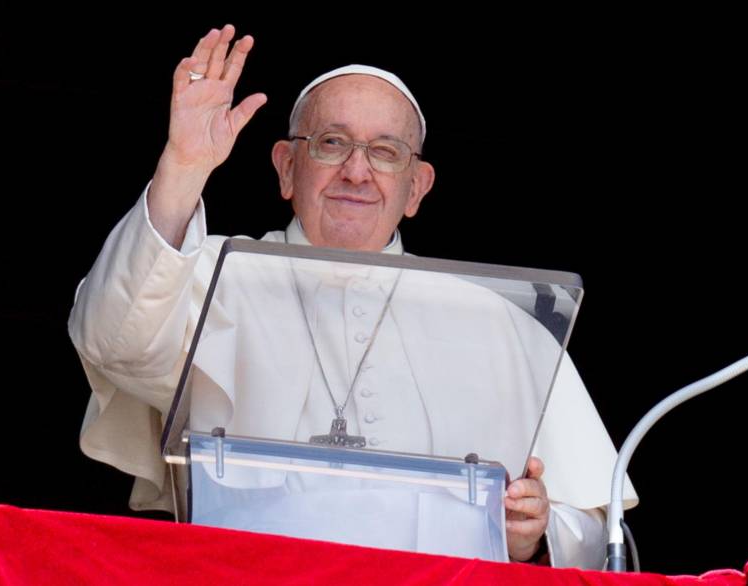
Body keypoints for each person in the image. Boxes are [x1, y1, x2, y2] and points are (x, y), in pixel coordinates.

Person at [68, 25, 635, 568]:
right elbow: (114, 339)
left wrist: (531, 535)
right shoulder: (213, 275)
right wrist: (184, 167)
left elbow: (592, 527)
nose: (357, 172)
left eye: (386, 152)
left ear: (417, 187)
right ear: (287, 168)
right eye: (331, 143)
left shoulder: (497, 321)